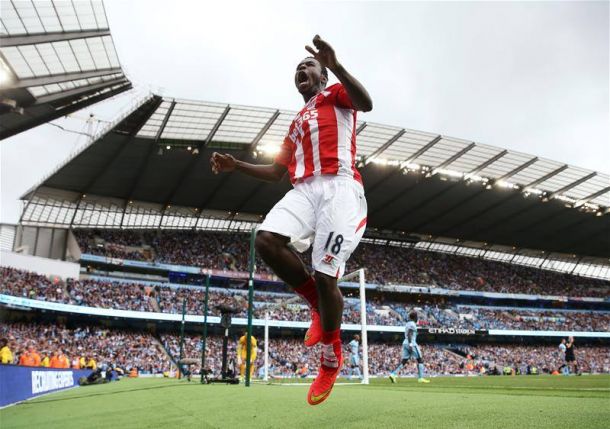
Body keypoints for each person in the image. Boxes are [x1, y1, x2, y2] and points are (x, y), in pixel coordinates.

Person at [210, 34, 372, 406]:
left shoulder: (336, 97)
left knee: (327, 273)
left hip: (339, 189)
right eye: (298, 68)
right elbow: (274, 172)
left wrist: (338, 65)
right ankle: (315, 299)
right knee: (266, 239)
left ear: (323, 75)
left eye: (309, 66)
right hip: (304, 191)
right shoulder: (296, 121)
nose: (302, 69)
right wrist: (236, 166)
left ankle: (331, 358)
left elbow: (367, 102)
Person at [389, 311, 430, 384]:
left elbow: (411, 333)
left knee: (404, 361)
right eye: (417, 317)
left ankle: (393, 374)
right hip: (411, 343)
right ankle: (421, 378)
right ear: (415, 317)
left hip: (405, 343)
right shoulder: (412, 324)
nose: (418, 318)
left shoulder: (408, 323)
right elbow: (409, 334)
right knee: (420, 359)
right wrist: (411, 344)